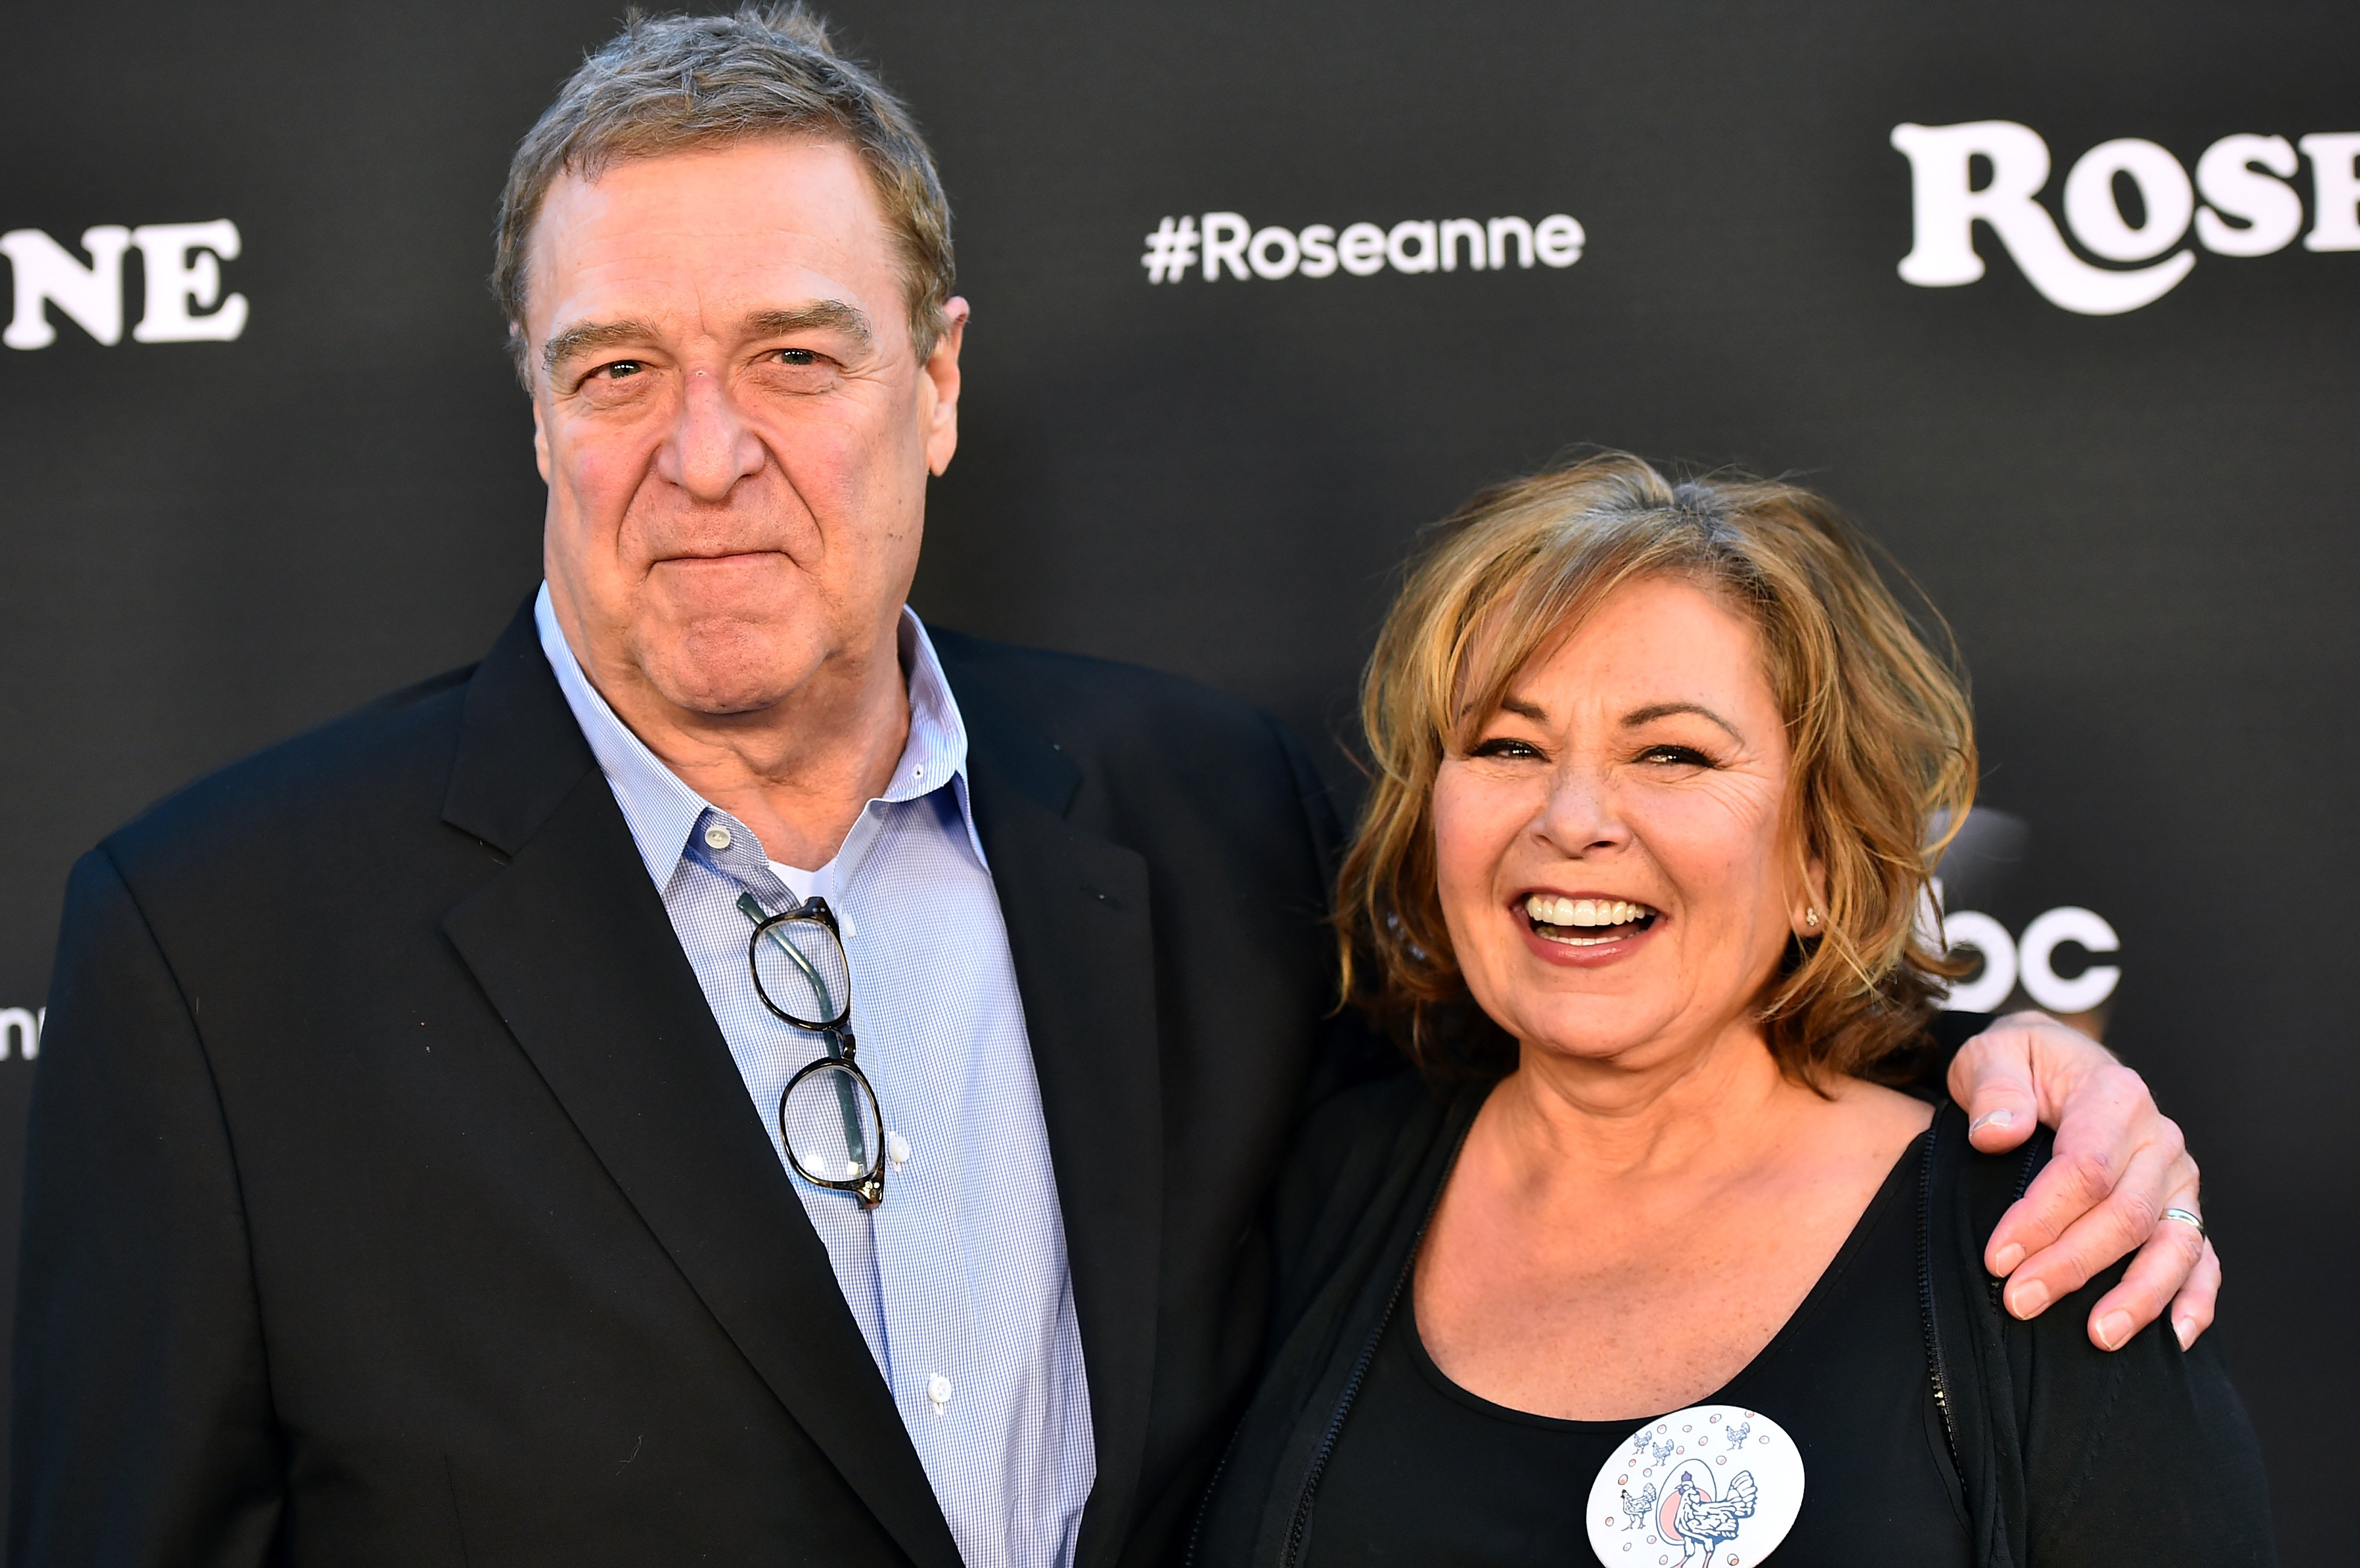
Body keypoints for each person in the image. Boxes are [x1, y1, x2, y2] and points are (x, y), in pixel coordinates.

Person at [9, 11, 2217, 1568]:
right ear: (535, 411)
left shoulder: (1201, 812)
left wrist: (1992, 1076)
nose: (708, 454)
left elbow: (1606, 1009)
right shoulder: (222, 955)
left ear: (939, 381)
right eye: (619, 374)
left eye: (798, 354)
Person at [1191, 456, 2270, 1567]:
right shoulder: (1314, 1187)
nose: (1572, 819)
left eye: (1672, 754)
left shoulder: (2045, 1227)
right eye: (1509, 745)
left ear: (1817, 852)